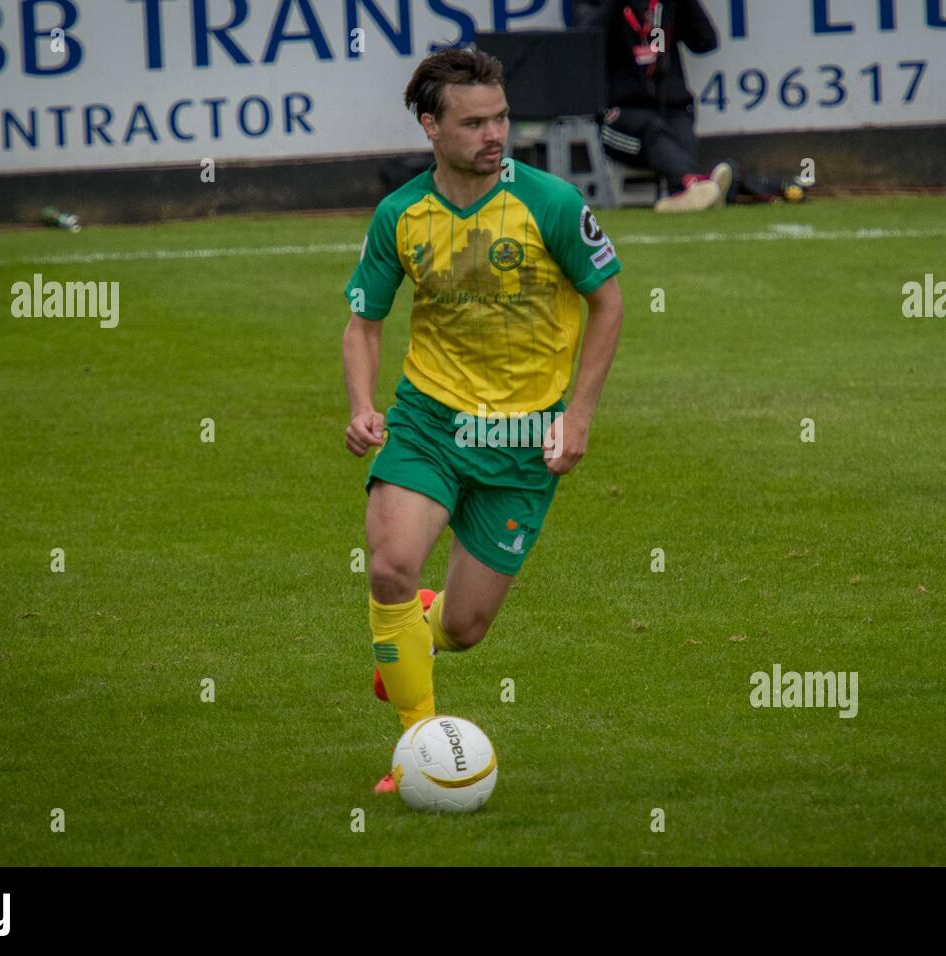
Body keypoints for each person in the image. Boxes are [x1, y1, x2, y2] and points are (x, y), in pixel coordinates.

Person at [342, 47, 625, 794]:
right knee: (390, 566)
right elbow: (364, 321)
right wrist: (364, 406)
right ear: (431, 126)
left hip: (524, 439)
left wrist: (580, 418)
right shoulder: (400, 215)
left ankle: (415, 638)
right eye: (474, 122)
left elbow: (608, 303)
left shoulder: (552, 204)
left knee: (465, 629)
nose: (494, 133)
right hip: (430, 422)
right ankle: (414, 748)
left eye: (500, 117)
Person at [572, 0, 808, 212]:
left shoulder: (664, 6)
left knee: (679, 147)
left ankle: (692, 190)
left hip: (671, 110)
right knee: (654, 131)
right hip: (617, 119)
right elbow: (583, 43)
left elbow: (705, 41)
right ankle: (708, 184)